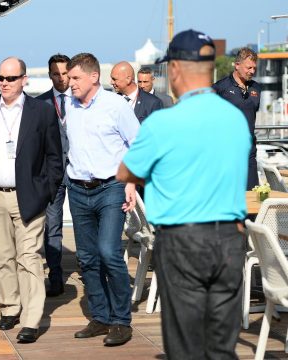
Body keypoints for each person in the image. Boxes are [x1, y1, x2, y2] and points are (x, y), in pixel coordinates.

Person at [117, 29, 251, 359]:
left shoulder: (163, 123)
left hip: (182, 241)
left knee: (186, 349)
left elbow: (126, 171)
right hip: (231, 240)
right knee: (222, 348)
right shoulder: (235, 117)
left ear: (176, 69)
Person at [0, 57, 63, 343]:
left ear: (25, 79)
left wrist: (44, 192)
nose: (4, 83)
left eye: (11, 78)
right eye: (1, 78)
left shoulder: (42, 112)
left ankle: (31, 320)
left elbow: (54, 158)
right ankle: (9, 307)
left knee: (29, 259)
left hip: (29, 198)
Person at [66, 53, 139, 346]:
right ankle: (100, 317)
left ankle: (121, 321)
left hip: (111, 187)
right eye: (69, 78)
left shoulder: (115, 106)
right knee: (87, 258)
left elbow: (139, 145)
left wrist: (132, 182)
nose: (69, 84)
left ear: (93, 77)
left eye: (75, 78)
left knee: (109, 252)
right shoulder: (69, 105)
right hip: (77, 188)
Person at [36, 54, 71, 297]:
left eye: (64, 73)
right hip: (53, 175)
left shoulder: (82, 100)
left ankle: (92, 274)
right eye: (55, 74)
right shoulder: (40, 104)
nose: (61, 78)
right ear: (50, 75)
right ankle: (55, 277)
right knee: (53, 227)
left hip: (82, 173)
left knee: (84, 225)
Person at [213, 47, 261, 190]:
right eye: (248, 67)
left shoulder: (257, 88)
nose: (252, 71)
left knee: (252, 196)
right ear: (237, 65)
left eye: (254, 68)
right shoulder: (220, 88)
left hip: (249, 152)